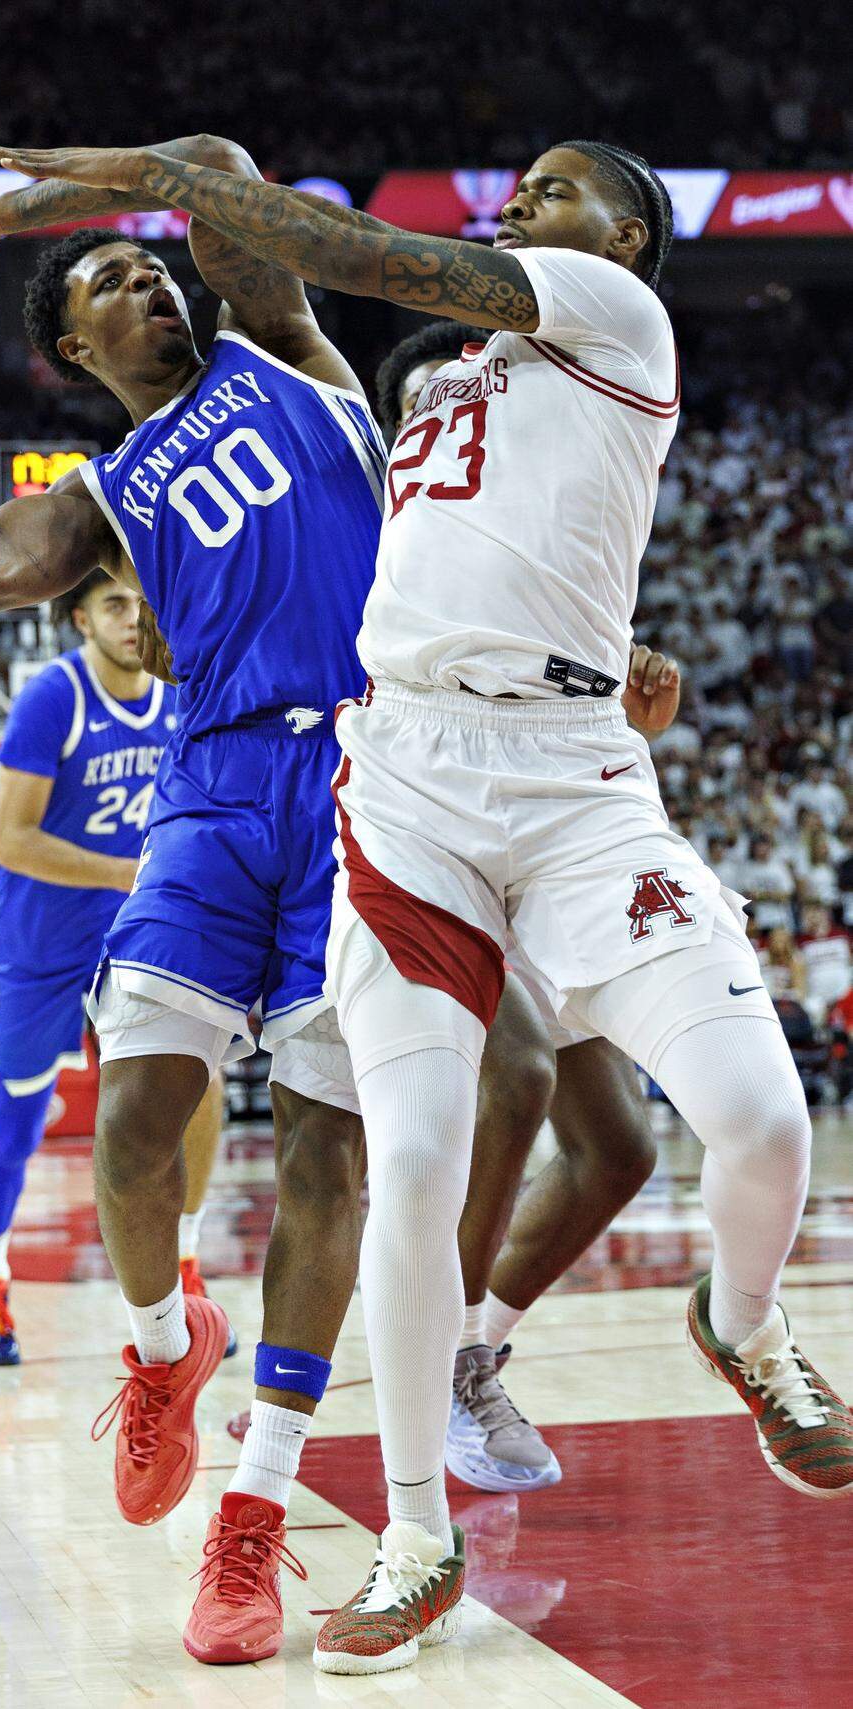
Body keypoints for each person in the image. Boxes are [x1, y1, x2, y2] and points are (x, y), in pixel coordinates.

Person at [36, 133, 853, 1667]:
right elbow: (457, 540)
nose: (525, 199)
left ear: (629, 236)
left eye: (559, 187)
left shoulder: (615, 312)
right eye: (518, 187)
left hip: (574, 779)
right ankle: (417, 1531)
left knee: (760, 1120)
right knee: (409, 1161)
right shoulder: (435, 386)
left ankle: (744, 1322)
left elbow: (357, 259)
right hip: (407, 774)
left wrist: (145, 178)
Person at [0, 133, 383, 1672]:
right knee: (132, 1127)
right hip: (211, 786)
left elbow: (214, 167)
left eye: (151, 266)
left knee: (328, 1150)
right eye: (113, 284)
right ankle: (164, 1347)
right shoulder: (110, 492)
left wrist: (14, 213)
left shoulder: (284, 347)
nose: (151, 286)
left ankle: (254, 1509)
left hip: (363, 779)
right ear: (71, 351)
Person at [378, 320, 674, 1493]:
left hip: (541, 834)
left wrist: (625, 717)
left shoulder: (550, 522)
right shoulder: (390, 531)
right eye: (433, 399)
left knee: (621, 1148)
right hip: (420, 829)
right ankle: (428, 1361)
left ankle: (471, 1349)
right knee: (514, 1079)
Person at [0, 567, 227, 1367]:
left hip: (133, 931)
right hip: (38, 940)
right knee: (18, 1121)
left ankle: (186, 1267)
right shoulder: (52, 697)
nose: (131, 619)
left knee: (200, 1082)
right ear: (79, 618)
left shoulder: (178, 693)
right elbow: (12, 840)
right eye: (113, 604)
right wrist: (126, 869)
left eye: (140, 604)